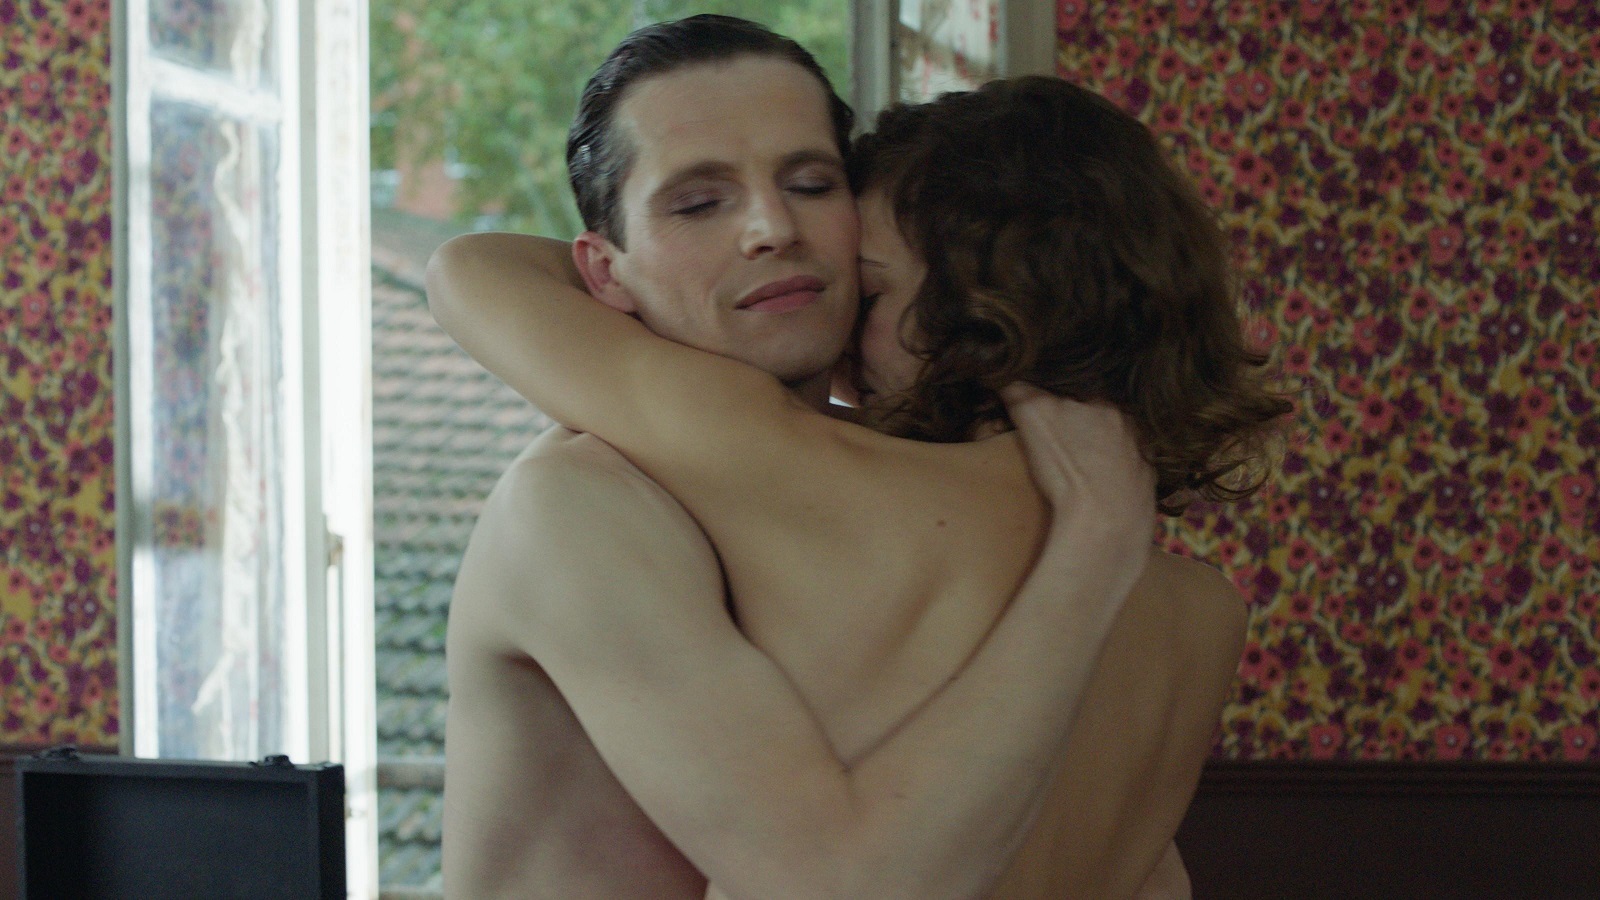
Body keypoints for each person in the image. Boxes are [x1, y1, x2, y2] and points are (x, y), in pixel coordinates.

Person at [433, 15, 1286, 899]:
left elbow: (472, 270)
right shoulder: (1198, 607)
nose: (772, 228)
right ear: (602, 269)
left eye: (812, 184)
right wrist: (1097, 541)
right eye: (696, 204)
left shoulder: (812, 486)